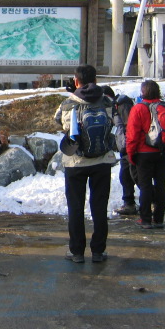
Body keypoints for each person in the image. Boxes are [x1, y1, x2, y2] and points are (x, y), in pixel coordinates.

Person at [55, 65, 115, 263]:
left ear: (76, 80)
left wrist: (74, 95)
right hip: (102, 161)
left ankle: (77, 252)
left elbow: (59, 121)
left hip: (76, 162)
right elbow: (113, 121)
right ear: (95, 79)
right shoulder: (107, 100)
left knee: (76, 206)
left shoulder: (68, 103)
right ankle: (98, 251)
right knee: (99, 206)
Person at [125, 80, 165, 230]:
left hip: (143, 153)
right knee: (160, 185)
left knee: (145, 186)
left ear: (143, 92)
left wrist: (130, 154)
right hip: (162, 152)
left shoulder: (138, 108)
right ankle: (159, 219)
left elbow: (132, 135)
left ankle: (145, 219)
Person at [101, 86, 138, 216]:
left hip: (131, 145)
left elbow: (130, 125)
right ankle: (130, 203)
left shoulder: (122, 104)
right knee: (126, 176)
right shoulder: (112, 107)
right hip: (124, 146)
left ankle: (150, 201)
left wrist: (130, 144)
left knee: (134, 176)